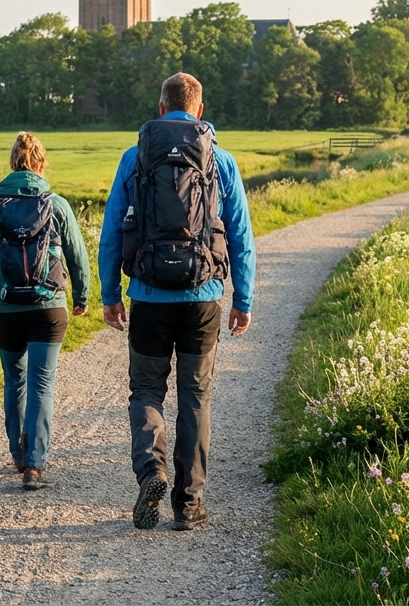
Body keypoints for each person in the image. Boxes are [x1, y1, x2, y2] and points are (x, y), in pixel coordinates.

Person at [99, 72, 256, 531]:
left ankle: (152, 471)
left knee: (146, 390)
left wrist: (111, 295)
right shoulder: (220, 160)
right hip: (203, 297)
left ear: (160, 107)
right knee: (195, 397)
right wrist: (242, 299)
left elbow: (112, 232)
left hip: (148, 295)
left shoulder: (135, 157)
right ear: (199, 109)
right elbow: (242, 237)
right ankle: (188, 504)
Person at [0, 132, 91, 491]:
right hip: (48, 308)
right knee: (41, 383)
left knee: (14, 380)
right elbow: (77, 256)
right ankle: (35, 465)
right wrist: (82, 295)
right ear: (40, 164)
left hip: (6, 309)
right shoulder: (58, 205)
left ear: (13, 164)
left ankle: (17, 454)